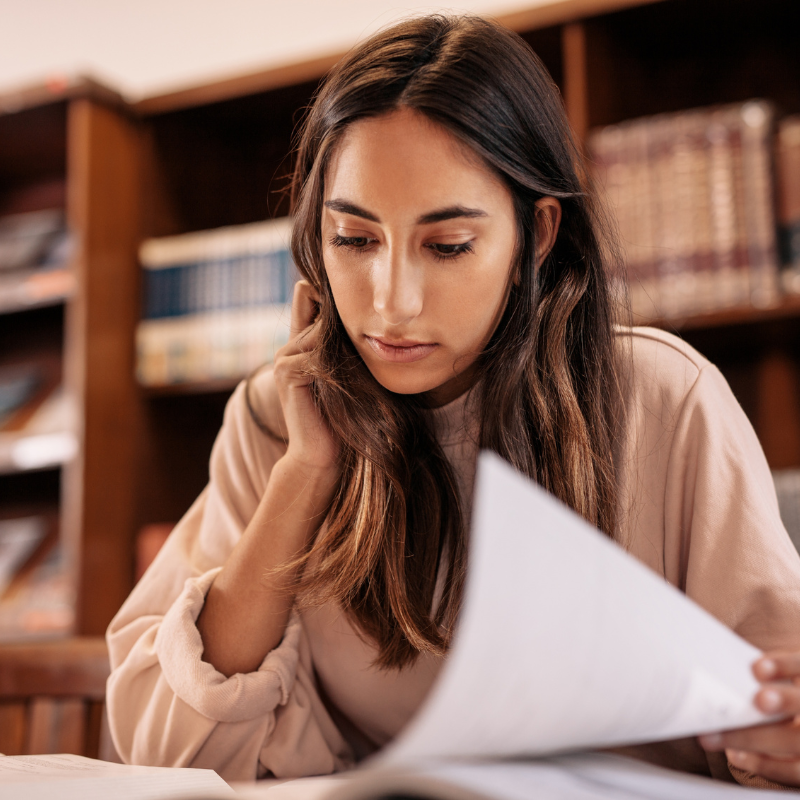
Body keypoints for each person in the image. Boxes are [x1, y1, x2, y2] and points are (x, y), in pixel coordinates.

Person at [106, 13, 800, 789]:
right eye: (355, 240)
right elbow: (168, 755)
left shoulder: (666, 401)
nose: (391, 302)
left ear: (533, 238)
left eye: (447, 246)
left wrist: (774, 738)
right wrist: (306, 473)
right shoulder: (279, 416)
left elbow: (778, 719)